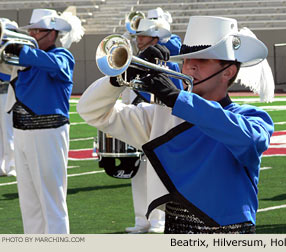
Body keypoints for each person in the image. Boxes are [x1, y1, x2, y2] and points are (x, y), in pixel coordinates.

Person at [78, 16, 274, 234]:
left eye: (202, 60)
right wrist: (121, 76)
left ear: (228, 71)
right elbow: (91, 111)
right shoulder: (160, 117)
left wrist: (177, 99)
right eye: (187, 60)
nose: (190, 66)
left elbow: (249, 139)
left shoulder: (251, 117)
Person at [3, 8, 84, 234]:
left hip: (48, 132)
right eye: (32, 30)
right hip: (20, 132)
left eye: (38, 30)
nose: (33, 34)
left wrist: (21, 50)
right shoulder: (25, 57)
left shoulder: (62, 55)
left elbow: (55, 66)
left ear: (53, 33)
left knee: (52, 200)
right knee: (29, 203)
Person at [118, 8, 183, 234]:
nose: (139, 40)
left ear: (156, 38)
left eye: (143, 37)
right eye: (138, 36)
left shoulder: (170, 64)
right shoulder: (130, 61)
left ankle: (158, 221)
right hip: (136, 118)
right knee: (137, 173)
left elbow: (172, 94)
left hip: (157, 120)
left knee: (158, 172)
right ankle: (141, 220)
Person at [0, 18, 17, 177]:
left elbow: (10, 75)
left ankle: (11, 166)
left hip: (6, 93)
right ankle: (1, 166)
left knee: (8, 131)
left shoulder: (12, 51)